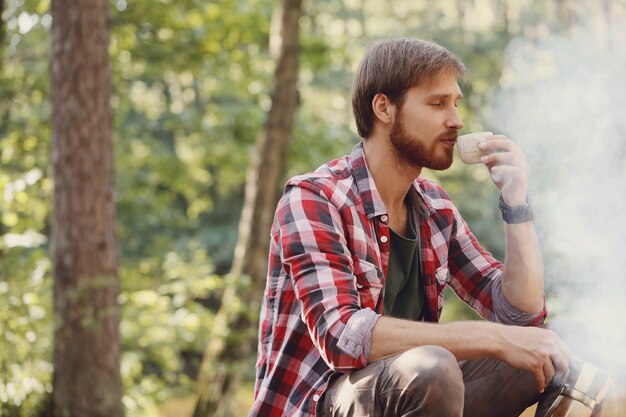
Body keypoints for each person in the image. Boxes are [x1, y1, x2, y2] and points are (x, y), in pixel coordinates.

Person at [249, 38, 577, 417]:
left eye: (456, 103)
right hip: (320, 403)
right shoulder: (314, 199)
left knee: (554, 345)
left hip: (413, 396)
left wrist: (517, 204)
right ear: (384, 108)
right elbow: (341, 336)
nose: (456, 120)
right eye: (437, 104)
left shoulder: (435, 207)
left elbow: (522, 316)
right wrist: (492, 337)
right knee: (430, 369)